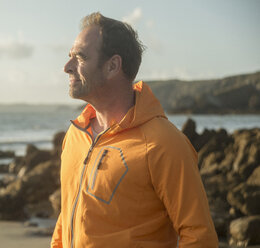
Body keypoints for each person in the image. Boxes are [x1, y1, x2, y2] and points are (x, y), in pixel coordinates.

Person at [51, 12, 218, 248]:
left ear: (112, 66)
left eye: (80, 57)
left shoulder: (163, 142)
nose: (67, 67)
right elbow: (68, 212)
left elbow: (199, 236)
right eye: (70, 56)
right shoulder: (75, 134)